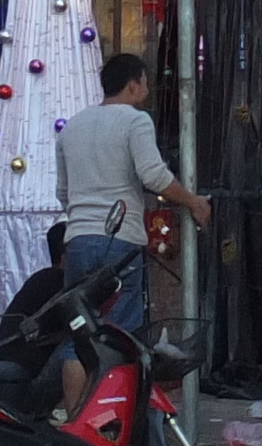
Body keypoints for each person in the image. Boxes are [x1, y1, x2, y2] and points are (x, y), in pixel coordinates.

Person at [49, 53, 211, 414]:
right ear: (134, 85)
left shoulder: (72, 126)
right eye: (146, 83)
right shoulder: (134, 122)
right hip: (119, 242)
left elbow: (63, 192)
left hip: (77, 239)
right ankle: (113, 418)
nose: (148, 91)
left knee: (79, 332)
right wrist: (192, 202)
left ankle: (77, 419)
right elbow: (153, 175)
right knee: (121, 333)